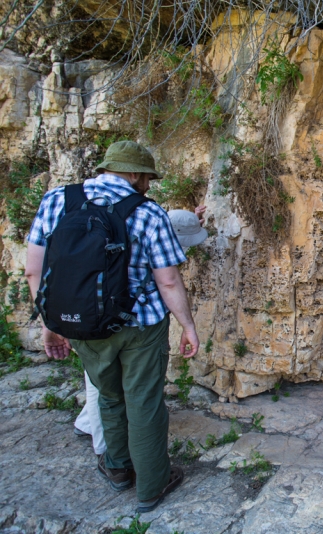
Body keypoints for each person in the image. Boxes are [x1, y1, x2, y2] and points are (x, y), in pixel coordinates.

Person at [25, 140, 199, 513]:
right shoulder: (150, 213)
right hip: (142, 326)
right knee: (144, 401)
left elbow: (34, 270)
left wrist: (51, 324)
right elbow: (167, 280)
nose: (149, 186)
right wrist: (187, 325)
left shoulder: (57, 200)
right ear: (134, 174)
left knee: (108, 395)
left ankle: (118, 468)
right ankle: (152, 485)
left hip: (82, 325)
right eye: (147, 178)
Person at [73, 205, 209, 453]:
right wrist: (187, 326)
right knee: (102, 389)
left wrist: (190, 219)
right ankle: (104, 447)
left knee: (100, 382)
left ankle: (85, 424)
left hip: (91, 316)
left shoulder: (133, 230)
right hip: (120, 324)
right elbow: (167, 281)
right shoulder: (157, 245)